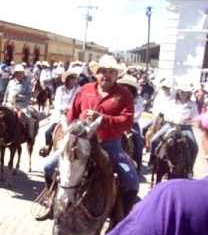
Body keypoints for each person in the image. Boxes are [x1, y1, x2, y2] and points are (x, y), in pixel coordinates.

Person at [43, 55, 139, 214]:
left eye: (110, 72)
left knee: (131, 181)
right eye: (102, 71)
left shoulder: (124, 95)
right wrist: (71, 129)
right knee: (48, 166)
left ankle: (121, 218)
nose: (105, 75)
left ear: (116, 75)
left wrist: (102, 119)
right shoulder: (84, 90)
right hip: (81, 141)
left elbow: (127, 121)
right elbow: (71, 115)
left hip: (109, 145)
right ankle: (51, 198)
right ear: (96, 73)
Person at [149, 82, 198, 173]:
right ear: (178, 92)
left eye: (186, 92)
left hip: (185, 127)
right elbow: (164, 114)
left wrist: (189, 119)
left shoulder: (192, 105)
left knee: (194, 147)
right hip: (170, 125)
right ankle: (153, 161)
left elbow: (195, 118)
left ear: (189, 93)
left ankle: (190, 168)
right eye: (182, 91)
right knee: (154, 140)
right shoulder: (171, 102)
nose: (183, 93)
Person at [41, 67, 80, 151]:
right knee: (47, 132)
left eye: (74, 78)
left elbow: (77, 102)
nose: (73, 80)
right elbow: (57, 102)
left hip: (73, 115)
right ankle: (47, 146)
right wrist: (63, 109)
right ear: (66, 80)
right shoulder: (60, 89)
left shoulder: (78, 90)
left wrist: (69, 109)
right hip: (60, 115)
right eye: (71, 78)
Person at [118, 75, 144, 174]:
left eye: (128, 86)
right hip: (118, 123)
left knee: (139, 143)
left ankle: (138, 167)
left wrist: (127, 121)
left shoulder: (138, 99)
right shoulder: (117, 97)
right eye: (124, 86)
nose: (126, 88)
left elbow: (137, 113)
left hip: (132, 124)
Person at [3, 64, 36, 139]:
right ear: (15, 74)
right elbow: (6, 93)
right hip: (9, 104)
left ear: (23, 74)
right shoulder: (11, 82)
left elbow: (29, 96)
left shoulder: (27, 83)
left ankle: (30, 135)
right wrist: (4, 102)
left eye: (20, 73)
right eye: (17, 73)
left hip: (21, 105)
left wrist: (20, 97)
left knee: (29, 118)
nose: (18, 74)